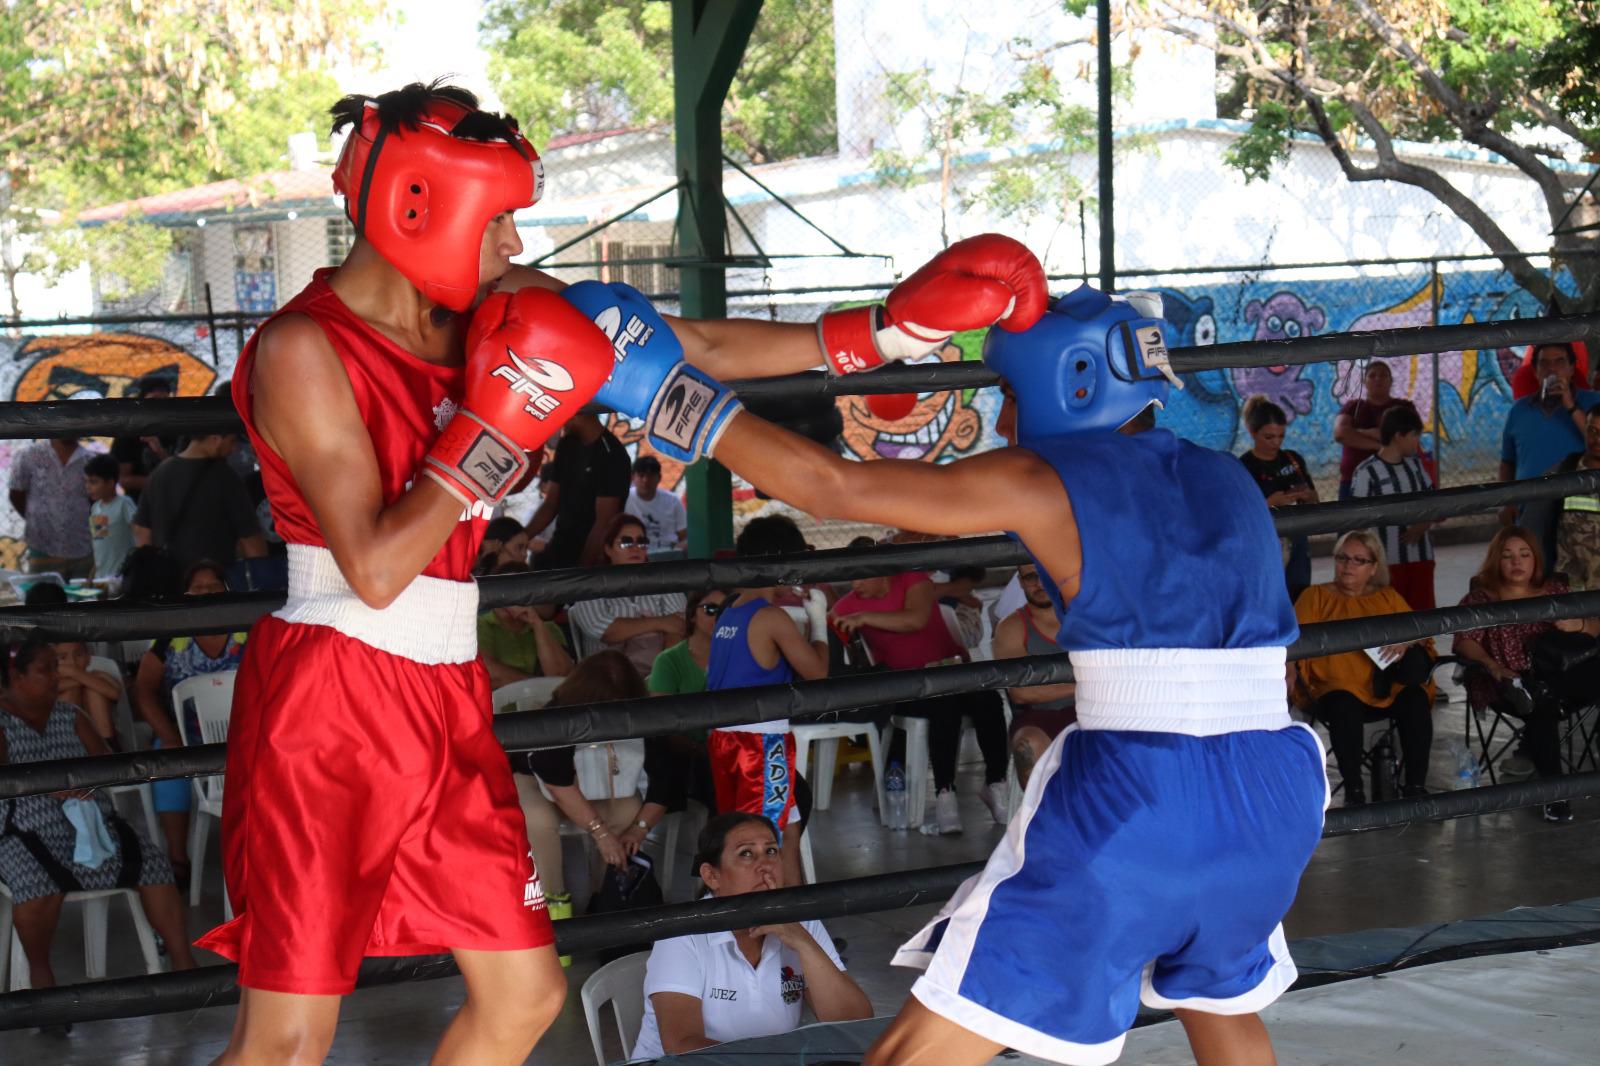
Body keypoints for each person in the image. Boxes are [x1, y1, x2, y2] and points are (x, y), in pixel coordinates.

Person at [201, 78, 960, 1061]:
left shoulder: (493, 310)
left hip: (445, 690)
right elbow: (378, 568)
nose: (514, 244)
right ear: (419, 207)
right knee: (288, 1040)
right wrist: (492, 429)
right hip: (334, 700)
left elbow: (678, 345)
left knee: (523, 994)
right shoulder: (305, 350)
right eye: (496, 221)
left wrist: (880, 333)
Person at [584, 264, 1330, 1064]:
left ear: (1068, 384)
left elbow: (831, 486)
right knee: (1218, 1005)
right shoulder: (1232, 479)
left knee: (917, 1051)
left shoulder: (1045, 480)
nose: (1003, 417)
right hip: (1278, 790)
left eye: (1006, 393)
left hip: (1144, 795)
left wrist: (668, 394)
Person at [0, 639, 196, 993]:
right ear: (16, 677)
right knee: (36, 885)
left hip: (90, 826)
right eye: (45, 670)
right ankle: (41, 979)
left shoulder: (72, 716)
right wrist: (48, 788)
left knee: (153, 864)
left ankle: (184, 966)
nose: (56, 676)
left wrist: (86, 785)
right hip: (23, 830)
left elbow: (107, 764)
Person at [631, 812, 871, 1058]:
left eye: (771, 851)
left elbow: (855, 1023)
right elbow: (682, 1045)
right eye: (746, 853)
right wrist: (773, 1061)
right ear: (712, 875)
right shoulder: (682, 933)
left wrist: (803, 943)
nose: (765, 865)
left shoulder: (801, 922)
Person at [833, 563, 1010, 834]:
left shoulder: (912, 580)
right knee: (945, 705)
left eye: (862, 578)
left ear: (884, 572)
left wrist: (864, 618)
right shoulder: (849, 604)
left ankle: (995, 782)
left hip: (951, 671)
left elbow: (915, 619)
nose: (856, 586)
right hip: (907, 689)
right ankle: (944, 793)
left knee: (989, 699)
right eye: (851, 580)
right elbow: (828, 628)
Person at [706, 515, 830, 888]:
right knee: (761, 844)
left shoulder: (729, 610)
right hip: (760, 744)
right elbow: (817, 673)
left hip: (724, 739)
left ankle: (795, 917)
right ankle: (769, 916)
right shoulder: (771, 617)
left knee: (783, 830)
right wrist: (819, 623)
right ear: (780, 562)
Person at [1451, 527, 1600, 822]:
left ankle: (1546, 697)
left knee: (1555, 690)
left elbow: (1595, 627)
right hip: (1508, 683)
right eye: (1507, 556)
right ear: (1496, 560)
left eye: (1524, 554)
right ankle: (1554, 795)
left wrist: (1580, 625)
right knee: (1539, 707)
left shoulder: (1554, 591)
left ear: (1535, 560)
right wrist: (1492, 665)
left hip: (1560, 675)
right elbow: (1465, 641)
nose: (1516, 562)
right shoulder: (1481, 599)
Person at [512, 651, 652, 937]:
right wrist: (601, 833)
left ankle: (606, 900)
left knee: (629, 808)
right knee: (537, 818)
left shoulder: (638, 715)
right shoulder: (558, 714)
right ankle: (551, 908)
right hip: (536, 779)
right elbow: (557, 782)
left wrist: (639, 828)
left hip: (593, 781)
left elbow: (665, 775)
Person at [1291, 530, 1437, 805]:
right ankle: (1354, 791)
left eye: (1359, 560)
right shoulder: (1315, 596)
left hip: (1385, 686)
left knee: (1415, 698)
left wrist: (1405, 641)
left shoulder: (1387, 597)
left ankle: (1415, 786)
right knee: (1343, 703)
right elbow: (1291, 642)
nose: (1348, 565)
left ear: (1373, 567)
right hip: (1331, 689)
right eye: (1343, 558)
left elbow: (1420, 633)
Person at [130, 560, 247, 887]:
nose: (207, 593)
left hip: (242, 737)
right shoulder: (172, 639)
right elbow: (143, 689)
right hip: (185, 737)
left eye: (214, 586)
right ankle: (178, 858)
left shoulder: (247, 631)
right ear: (185, 595)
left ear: (227, 591)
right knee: (169, 765)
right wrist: (169, 736)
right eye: (198, 588)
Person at [568, 514, 687, 677]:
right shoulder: (590, 586)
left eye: (642, 542)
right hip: (605, 679)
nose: (635, 548)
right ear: (608, 549)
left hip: (657, 677)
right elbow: (608, 632)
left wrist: (661, 675)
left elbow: (679, 627)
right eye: (626, 542)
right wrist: (661, 622)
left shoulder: (662, 581)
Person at [990, 562, 1076, 787]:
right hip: (1037, 716)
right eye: (1030, 577)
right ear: (1020, 582)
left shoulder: (1084, 618)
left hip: (1092, 710)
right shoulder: (1011, 627)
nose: (1039, 584)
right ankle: (1041, 809)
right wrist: (1087, 683)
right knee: (1027, 746)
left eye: (1045, 575)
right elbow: (1021, 693)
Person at [132, 432, 269, 572]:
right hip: (213, 578)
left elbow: (141, 531)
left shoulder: (159, 473)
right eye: (231, 441)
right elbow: (251, 541)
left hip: (168, 577)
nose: (233, 449)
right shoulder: (226, 477)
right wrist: (261, 574)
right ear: (216, 439)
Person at [1499, 342, 1600, 522]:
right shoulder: (1519, 410)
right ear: (1535, 371)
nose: (1552, 369)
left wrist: (1570, 405)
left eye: (1559, 362)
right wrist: (1506, 502)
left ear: (1571, 368)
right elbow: (1507, 462)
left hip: (1579, 511)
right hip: (1529, 508)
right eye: (1544, 363)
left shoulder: (1593, 402)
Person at [1350, 404, 1438, 610]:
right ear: (1399, 435)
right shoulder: (1366, 472)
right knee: (1389, 616)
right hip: (1384, 564)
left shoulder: (1415, 466)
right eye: (1415, 435)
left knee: (1423, 616)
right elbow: (1356, 521)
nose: (1418, 441)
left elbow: (1434, 502)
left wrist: (1424, 523)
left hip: (1421, 558)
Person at [526, 412, 632, 570]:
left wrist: (582, 571)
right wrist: (522, 536)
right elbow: (551, 504)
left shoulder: (612, 455)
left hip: (589, 559)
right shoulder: (567, 445)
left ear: (577, 414)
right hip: (559, 548)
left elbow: (603, 523)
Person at [1237, 395, 1317, 598]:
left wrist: (1306, 496)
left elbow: (1315, 500)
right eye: (1269, 437)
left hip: (1298, 539)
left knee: (1299, 595)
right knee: (1268, 596)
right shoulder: (1244, 466)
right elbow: (1238, 515)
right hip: (1264, 544)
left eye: (1281, 436)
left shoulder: (1292, 459)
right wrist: (1270, 503)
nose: (1276, 442)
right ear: (1252, 432)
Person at [1522, 406, 1600, 591]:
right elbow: (1531, 529)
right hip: (1571, 593)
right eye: (1592, 431)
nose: (1597, 439)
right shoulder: (1562, 474)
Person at [8, 436, 94, 580]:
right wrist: (38, 518)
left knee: (81, 593)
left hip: (81, 550)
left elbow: (95, 502)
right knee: (43, 592)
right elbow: (16, 494)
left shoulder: (90, 460)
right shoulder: (29, 455)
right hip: (42, 548)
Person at [478, 561, 574, 689]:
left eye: (514, 591)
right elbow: (487, 674)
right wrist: (541, 685)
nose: (504, 597)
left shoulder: (548, 627)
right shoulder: (480, 625)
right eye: (500, 590)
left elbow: (561, 675)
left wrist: (536, 622)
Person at [1333, 360, 1418, 500]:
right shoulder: (1353, 407)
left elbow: (1408, 437)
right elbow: (1340, 433)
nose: (1378, 379)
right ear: (1364, 381)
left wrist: (1358, 432)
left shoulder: (1404, 407)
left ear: (1391, 381)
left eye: (1383, 375)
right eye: (1372, 375)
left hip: (1397, 477)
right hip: (1353, 479)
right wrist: (1381, 446)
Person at [110, 374, 177, 501]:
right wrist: (164, 482)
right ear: (142, 400)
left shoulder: (175, 431)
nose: (159, 406)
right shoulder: (129, 433)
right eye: (153, 400)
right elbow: (123, 479)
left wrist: (160, 451)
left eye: (165, 401)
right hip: (140, 501)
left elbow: (181, 472)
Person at [54, 641, 122, 748]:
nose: (72, 662)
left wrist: (74, 673)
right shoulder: (50, 682)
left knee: (94, 691)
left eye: (79, 655)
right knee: (72, 691)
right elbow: (52, 690)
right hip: (63, 740)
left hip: (102, 739)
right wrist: (83, 679)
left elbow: (116, 693)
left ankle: (108, 747)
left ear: (88, 658)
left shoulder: (96, 674)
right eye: (62, 658)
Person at [85, 453, 138, 582]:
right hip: (101, 578)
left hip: (121, 577)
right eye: (87, 481)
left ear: (110, 482)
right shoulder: (95, 508)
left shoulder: (124, 504)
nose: (88, 486)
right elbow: (100, 545)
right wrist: (91, 577)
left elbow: (138, 532)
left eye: (94, 482)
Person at [626, 453, 688, 552]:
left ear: (659, 478)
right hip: (634, 553)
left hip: (668, 554)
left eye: (650, 476)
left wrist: (679, 548)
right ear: (633, 477)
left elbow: (684, 536)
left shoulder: (673, 501)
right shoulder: (625, 499)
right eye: (641, 476)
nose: (645, 480)